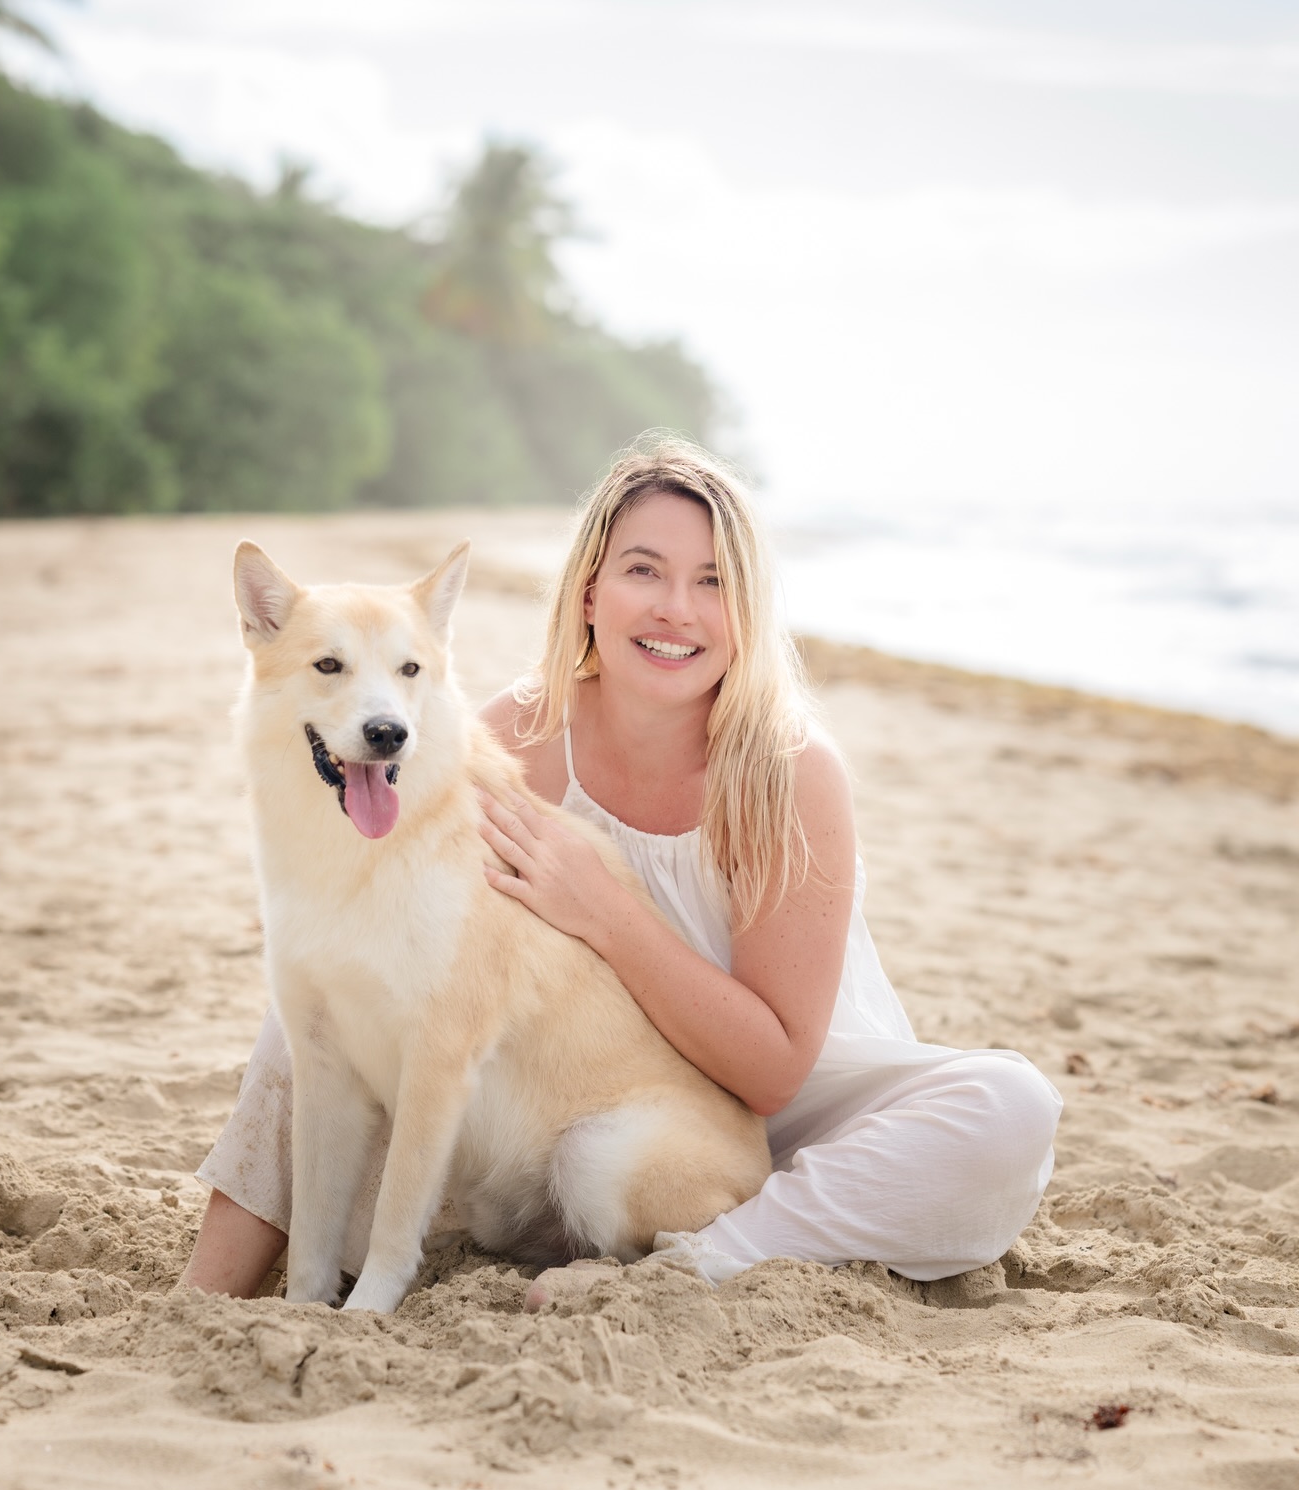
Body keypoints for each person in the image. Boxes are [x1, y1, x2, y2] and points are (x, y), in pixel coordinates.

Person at [181, 434, 1061, 1305]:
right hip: (583, 1089)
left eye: (714, 581)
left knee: (1011, 1106)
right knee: (337, 969)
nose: (678, 608)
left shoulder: (787, 767)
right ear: (591, 590)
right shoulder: (521, 732)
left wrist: (601, 905)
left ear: (747, 609)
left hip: (803, 1109)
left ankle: (705, 1258)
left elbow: (775, 1071)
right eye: (645, 570)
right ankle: (207, 1289)